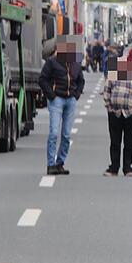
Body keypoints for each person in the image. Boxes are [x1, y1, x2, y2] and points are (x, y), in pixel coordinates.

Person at [39, 35, 84, 175]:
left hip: (70, 101)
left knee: (66, 135)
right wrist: (51, 95)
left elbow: (81, 80)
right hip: (57, 99)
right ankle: (50, 164)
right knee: (53, 133)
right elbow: (42, 80)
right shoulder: (52, 62)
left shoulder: (75, 63)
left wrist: (76, 95)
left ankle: (60, 163)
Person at [102, 56, 132, 176]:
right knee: (115, 141)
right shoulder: (113, 75)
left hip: (131, 114)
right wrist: (109, 108)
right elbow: (106, 91)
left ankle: (128, 168)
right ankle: (114, 168)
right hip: (115, 112)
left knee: (129, 142)